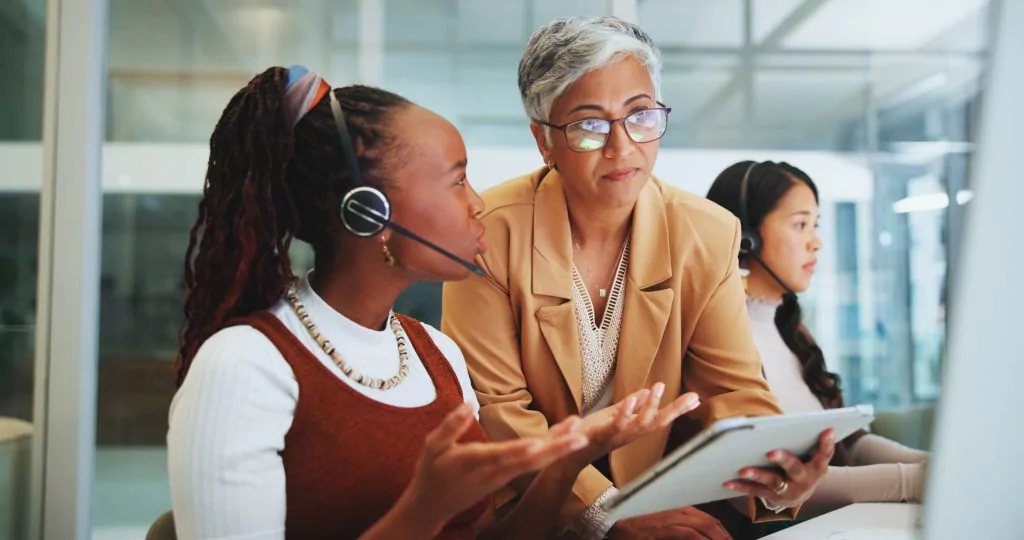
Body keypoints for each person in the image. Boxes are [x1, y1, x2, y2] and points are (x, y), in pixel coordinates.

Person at [167, 65, 702, 540]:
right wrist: (424, 508)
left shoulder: (435, 354)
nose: (476, 203)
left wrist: (567, 459)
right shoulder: (244, 365)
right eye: (458, 179)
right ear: (369, 212)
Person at [441, 17, 834, 540]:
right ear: (543, 141)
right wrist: (606, 513)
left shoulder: (706, 232)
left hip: (667, 511)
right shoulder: (487, 231)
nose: (622, 147)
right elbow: (499, 413)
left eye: (640, 116)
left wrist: (777, 471)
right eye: (590, 124)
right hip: (528, 518)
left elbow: (733, 391)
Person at [706, 160, 929, 518]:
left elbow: (844, 444)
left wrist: (928, 465)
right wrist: (910, 481)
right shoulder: (715, 338)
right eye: (800, 225)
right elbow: (760, 482)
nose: (816, 242)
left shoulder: (791, 330)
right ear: (746, 236)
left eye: (816, 225)